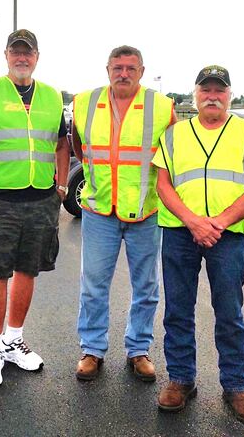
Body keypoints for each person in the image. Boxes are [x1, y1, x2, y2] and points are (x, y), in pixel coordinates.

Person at [152, 65, 244, 424]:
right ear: (196, 94)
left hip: (226, 235)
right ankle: (180, 379)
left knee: (230, 312)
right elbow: (163, 185)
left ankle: (236, 386)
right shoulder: (174, 135)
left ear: (229, 95)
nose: (212, 96)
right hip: (179, 232)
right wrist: (193, 221)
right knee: (178, 309)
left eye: (219, 90)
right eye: (206, 90)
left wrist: (218, 222)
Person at [0, 29, 69, 386]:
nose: (22, 57)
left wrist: (62, 186)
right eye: (16, 51)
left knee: (28, 271)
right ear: (6, 55)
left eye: (28, 52)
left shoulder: (52, 96)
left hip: (40, 200)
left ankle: (14, 340)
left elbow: (62, 144)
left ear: (37, 56)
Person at [72, 45, 175, 382]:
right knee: (93, 285)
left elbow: (172, 155)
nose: (124, 74)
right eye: (118, 67)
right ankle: (92, 349)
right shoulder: (85, 102)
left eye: (131, 68)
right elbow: (78, 146)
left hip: (145, 211)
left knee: (146, 286)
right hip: (99, 209)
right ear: (108, 70)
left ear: (142, 71)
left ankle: (138, 350)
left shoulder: (162, 107)